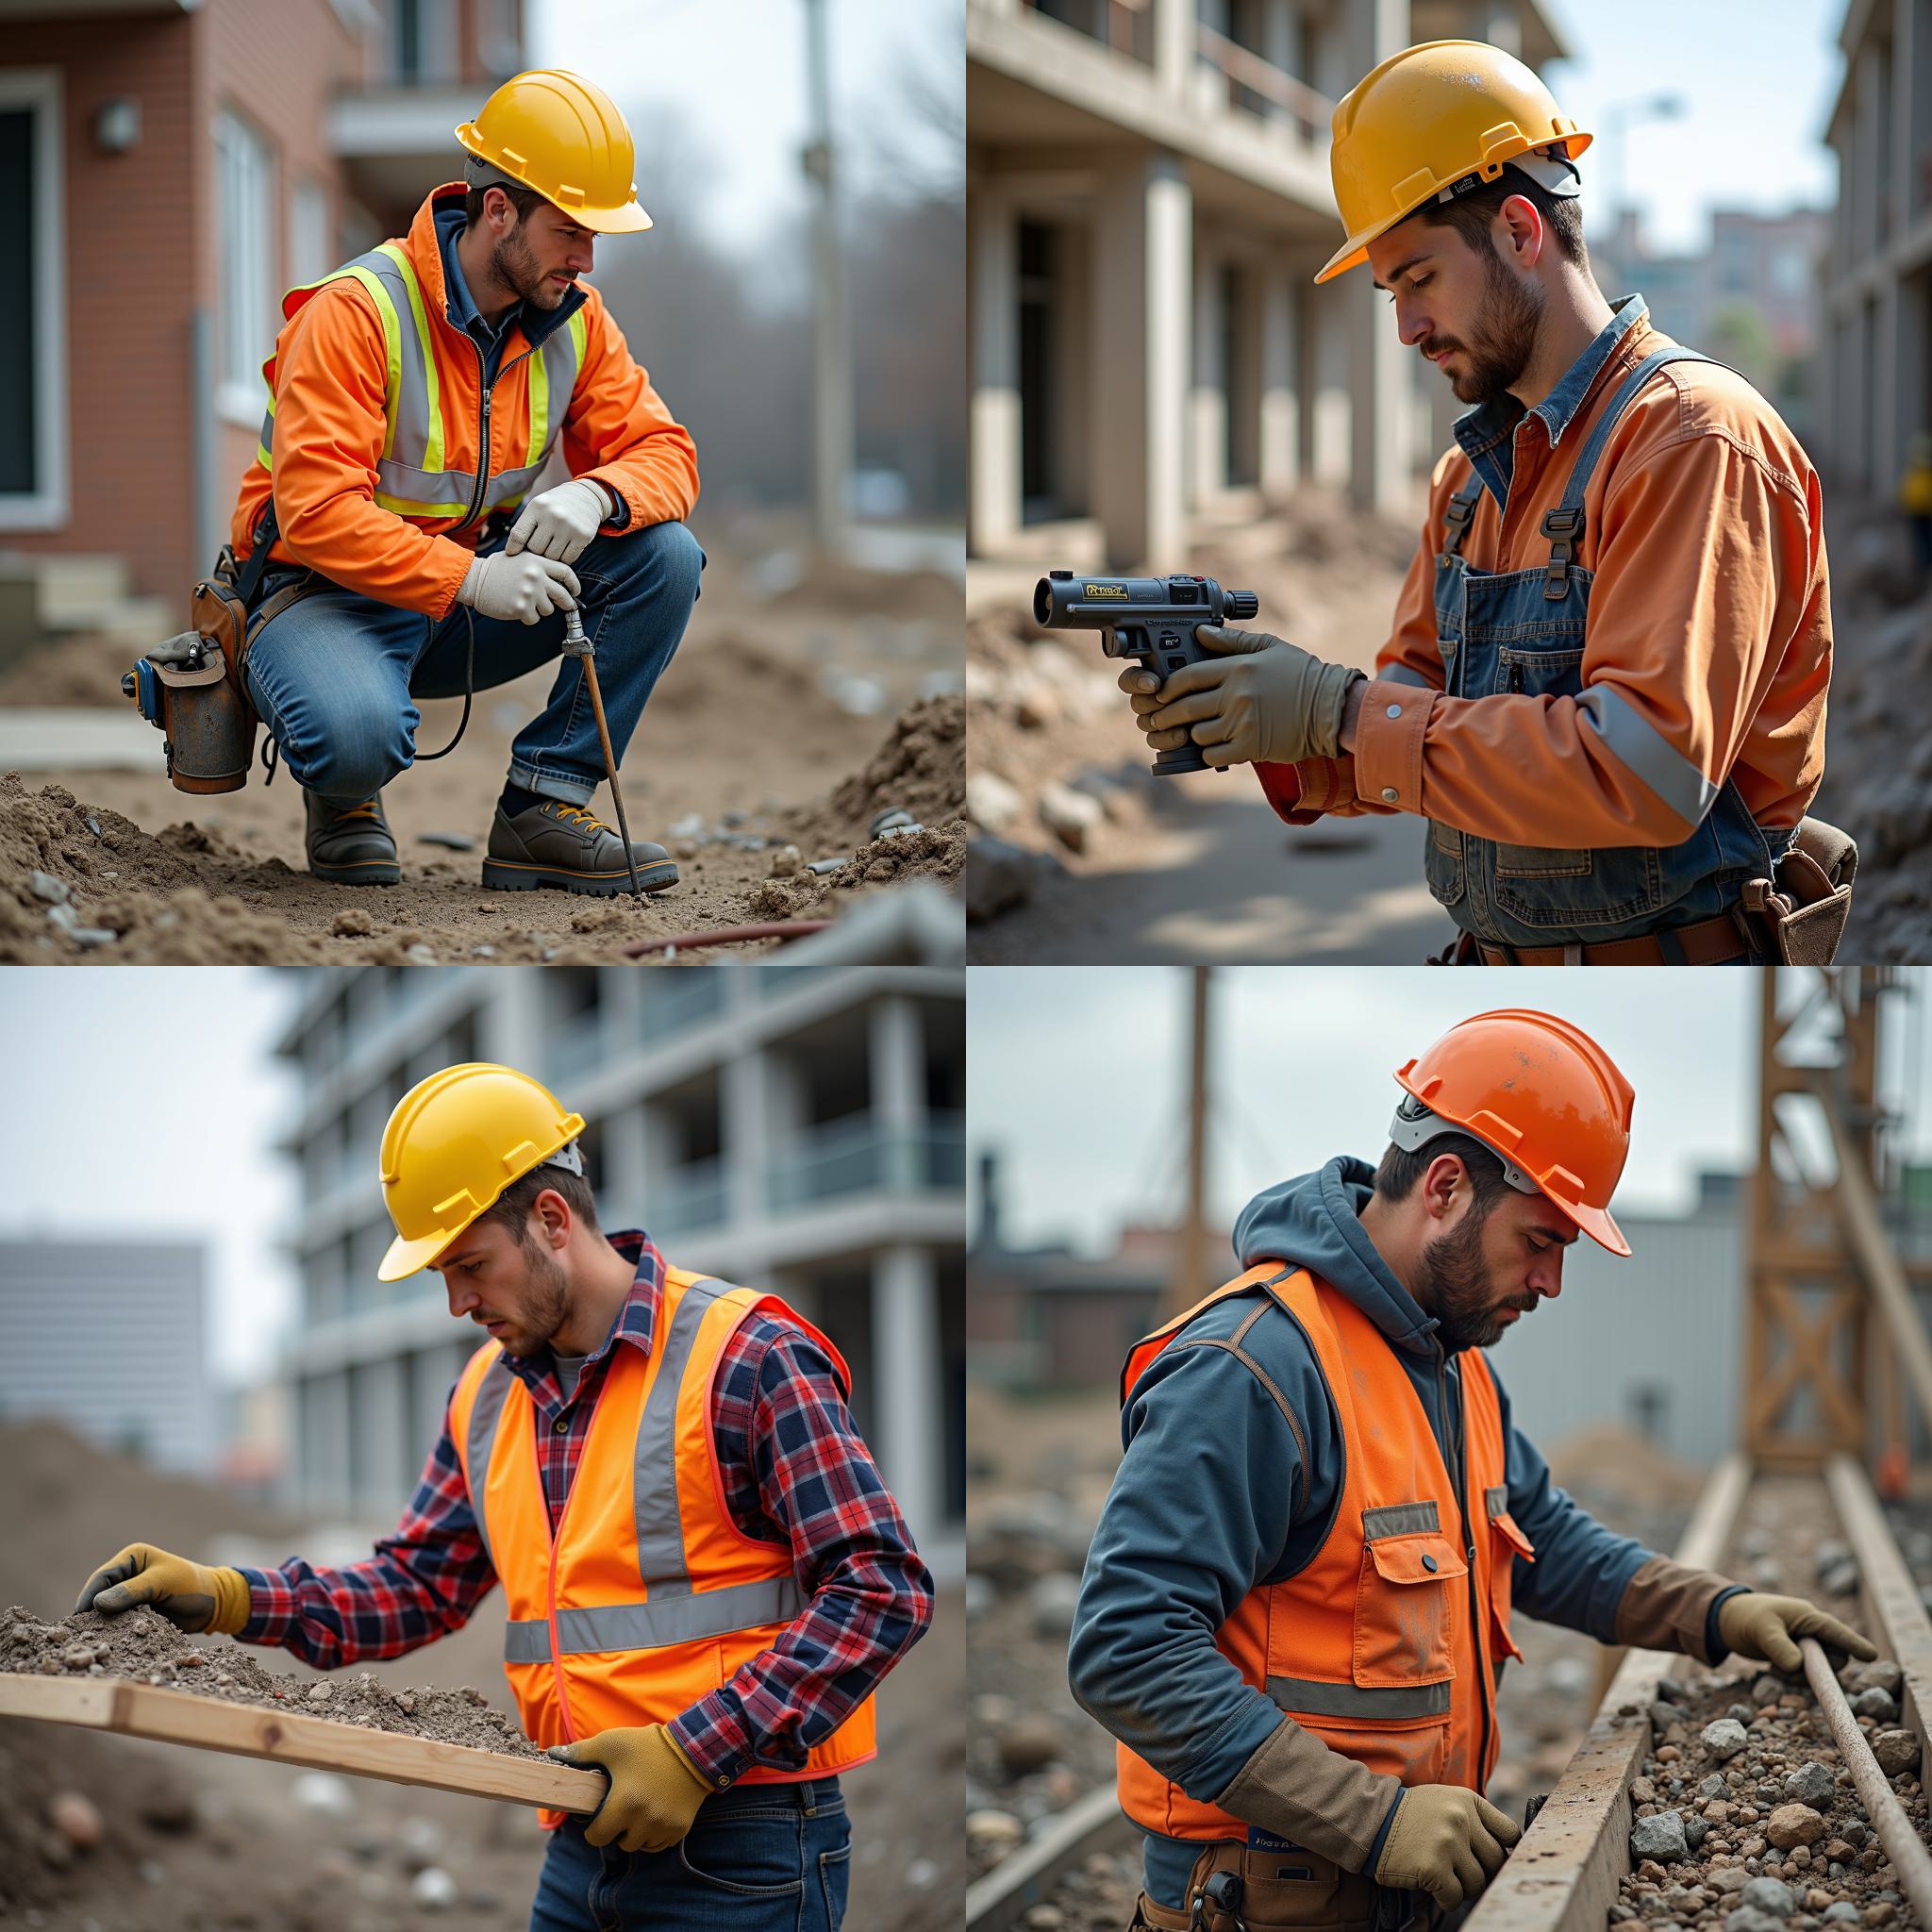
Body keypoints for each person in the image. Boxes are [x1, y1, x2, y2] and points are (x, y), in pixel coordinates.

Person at [75, 1062, 932, 1931]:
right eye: (443, 1274)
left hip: (747, 1842)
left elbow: (883, 1588)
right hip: (575, 1836)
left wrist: (690, 1753)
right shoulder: (487, 1396)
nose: (456, 1303)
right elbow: (417, 1586)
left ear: (552, 1222)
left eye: (471, 1265)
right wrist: (228, 1597)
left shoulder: (746, 1357)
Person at [1068, 1010, 1876, 1931]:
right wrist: (1373, 1820)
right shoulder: (1253, 1365)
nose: (1550, 1282)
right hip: (1263, 1903)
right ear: (1445, 1186)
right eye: (1539, 1240)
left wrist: (1710, 1608)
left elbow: (1542, 1541)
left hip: (1401, 1885)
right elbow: (1125, 1645)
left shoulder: (1452, 1365)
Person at [1118, 41, 1841, 965]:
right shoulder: (1466, 481)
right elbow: (1416, 727)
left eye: (1417, 278)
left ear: (1516, 231)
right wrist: (1270, 718)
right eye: (1389, 292)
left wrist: (1337, 709)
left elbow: (1646, 773)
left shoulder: (1688, 440)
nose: (1404, 327)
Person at [231, 70, 704, 897]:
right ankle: (343, 797)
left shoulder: (576, 323)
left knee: (665, 557)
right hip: (319, 600)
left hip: (457, 607)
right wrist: (474, 577)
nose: (587, 259)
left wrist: (598, 493)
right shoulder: (355, 312)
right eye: (570, 232)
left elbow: (667, 453)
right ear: (498, 213)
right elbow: (311, 513)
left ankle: (542, 811)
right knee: (354, 734)